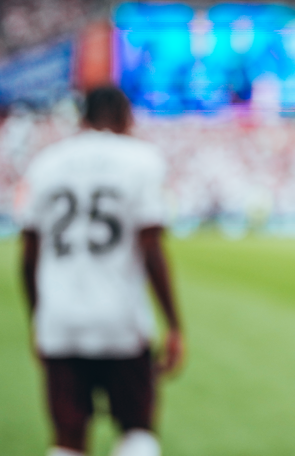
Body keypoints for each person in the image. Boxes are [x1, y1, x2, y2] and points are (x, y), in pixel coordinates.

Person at [19, 86, 182, 456]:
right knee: (137, 429)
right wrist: (173, 323)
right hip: (119, 318)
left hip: (59, 321)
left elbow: (28, 257)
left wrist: (38, 319)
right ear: (126, 117)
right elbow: (152, 249)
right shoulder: (141, 159)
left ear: (83, 117)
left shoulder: (46, 163)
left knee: (67, 436)